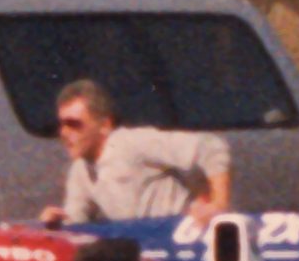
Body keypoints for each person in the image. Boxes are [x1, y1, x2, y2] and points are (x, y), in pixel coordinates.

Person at [42, 80, 231, 226]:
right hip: (142, 249)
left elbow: (211, 147)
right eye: (62, 124)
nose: (64, 133)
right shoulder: (80, 169)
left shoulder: (132, 143)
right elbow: (77, 219)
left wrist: (218, 205)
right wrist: (60, 220)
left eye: (74, 124)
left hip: (180, 235)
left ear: (105, 125)